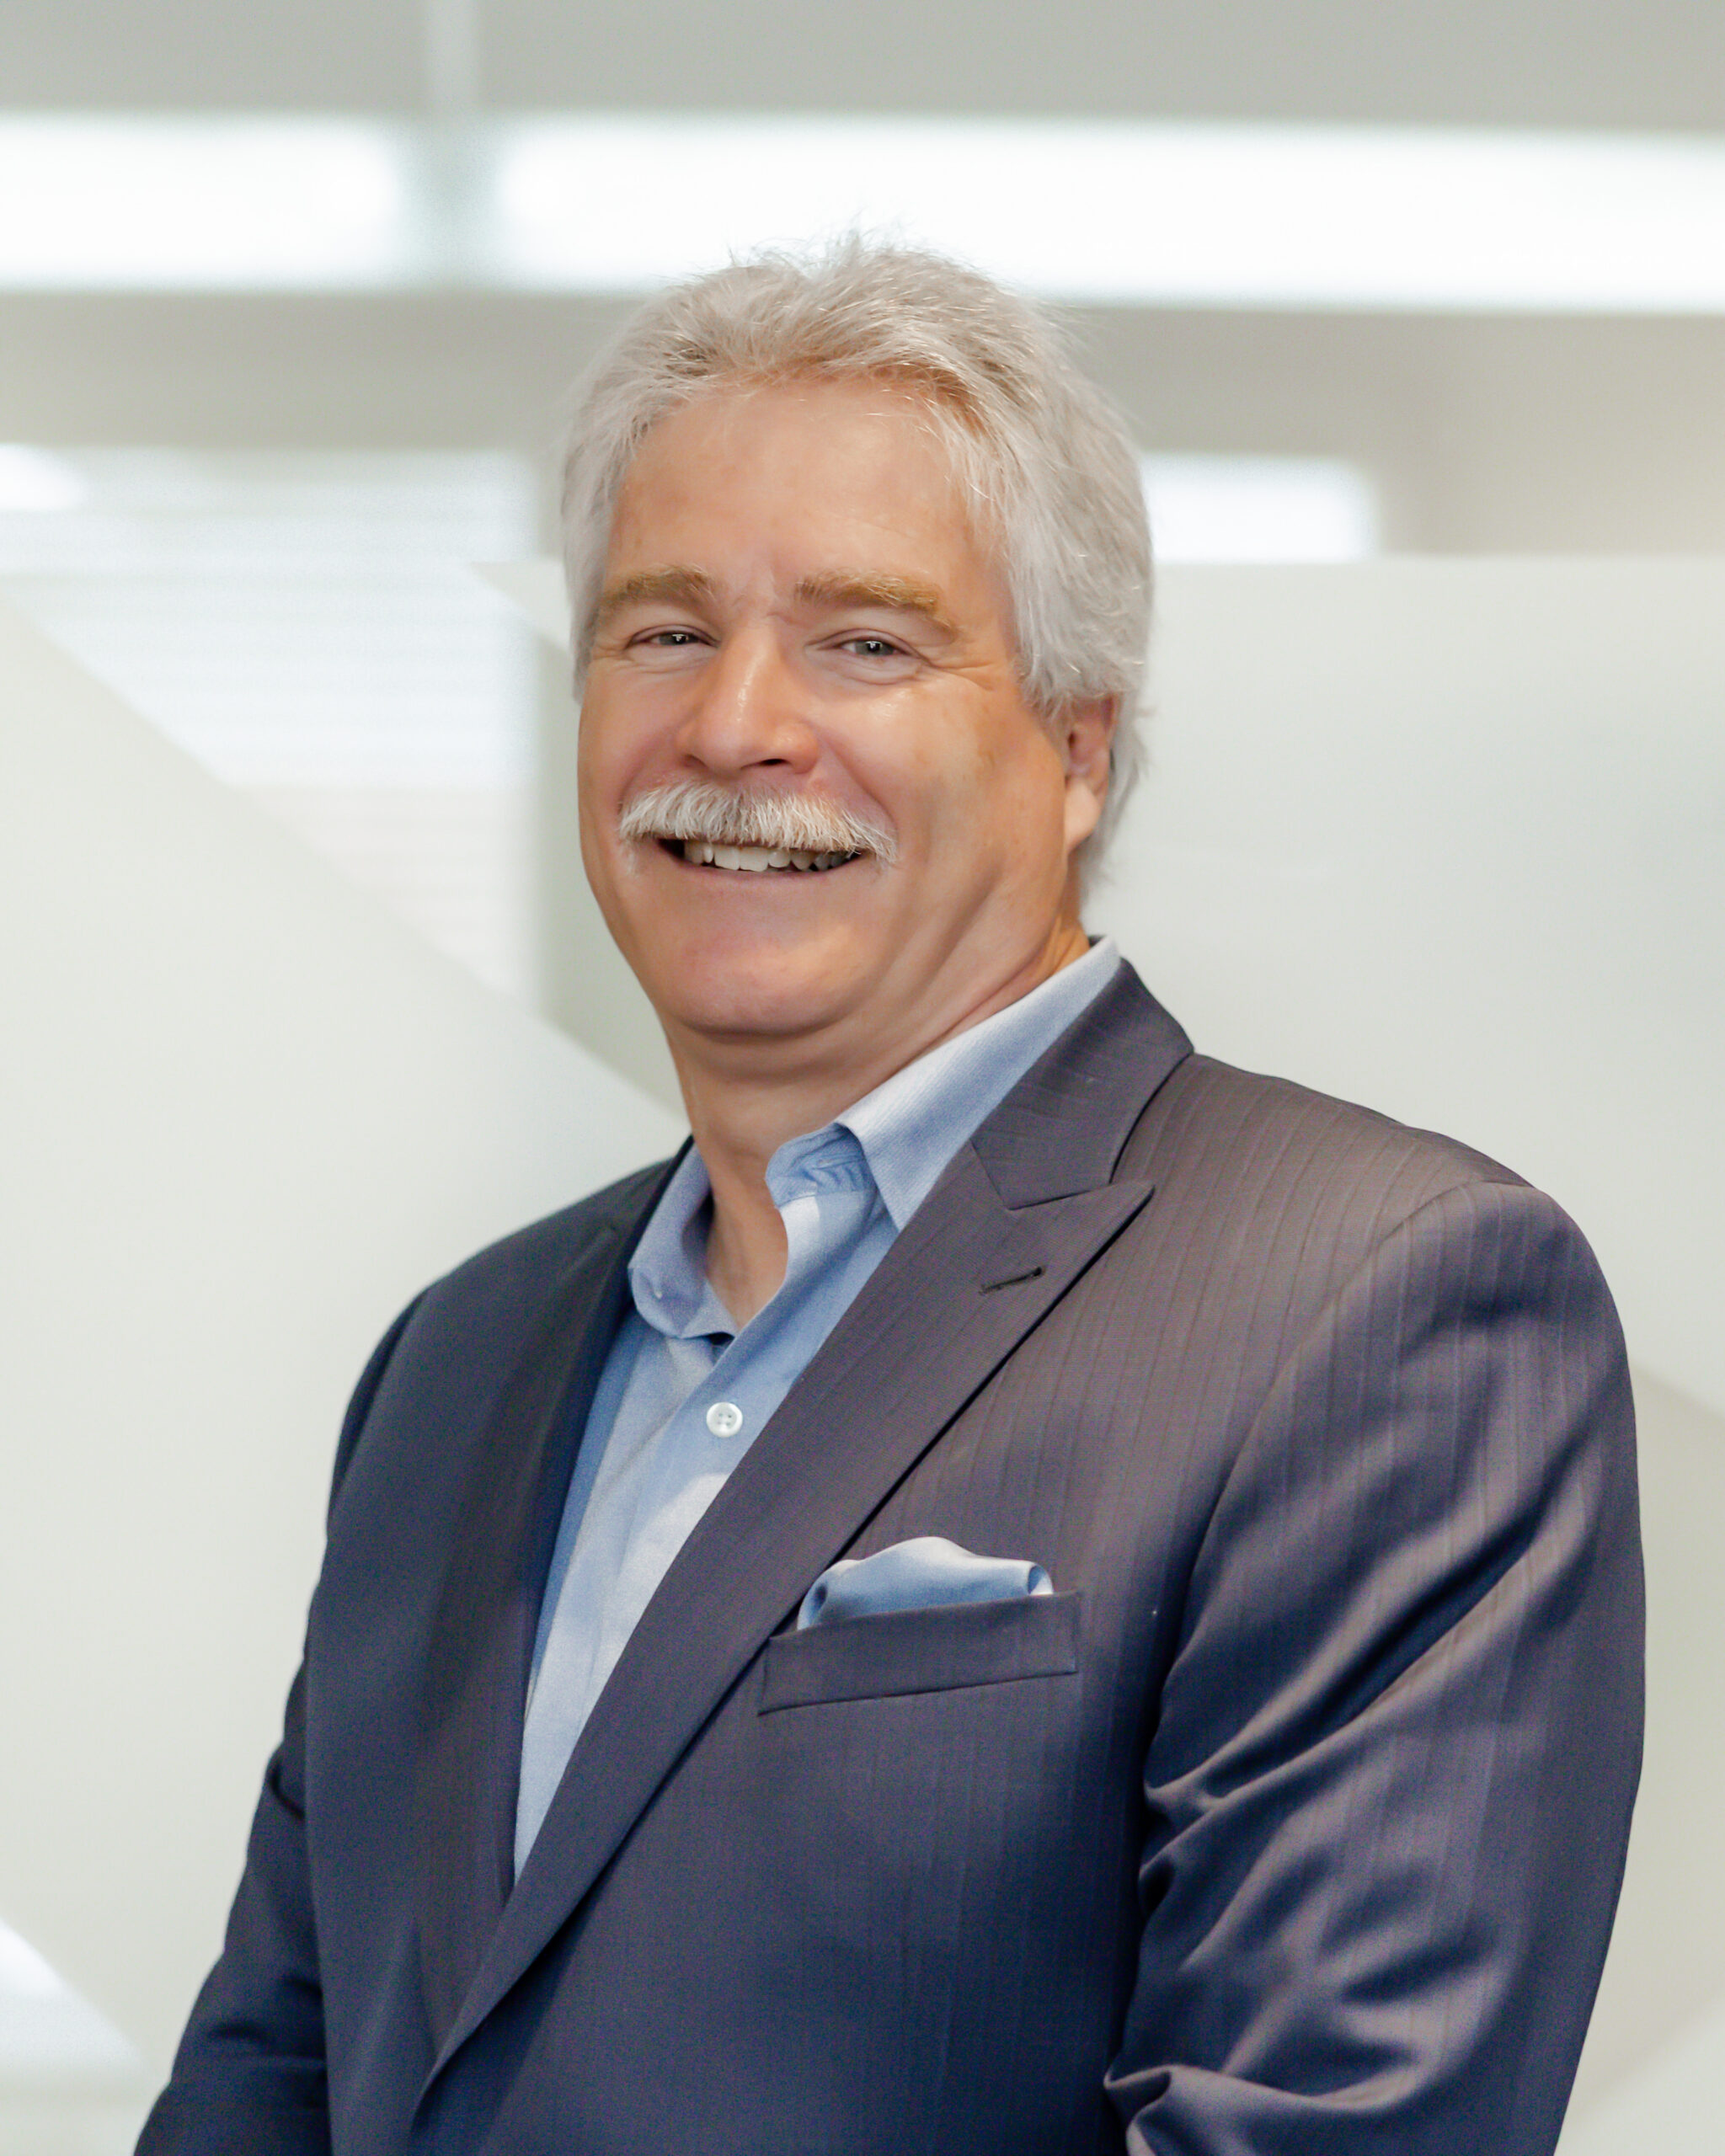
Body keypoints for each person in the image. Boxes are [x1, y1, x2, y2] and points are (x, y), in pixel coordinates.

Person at [139, 240, 1642, 2156]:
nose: (739, 723)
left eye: (866, 639)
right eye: (661, 629)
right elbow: (273, 2081)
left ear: (1079, 747)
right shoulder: (454, 1362)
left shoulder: (1383, 1307)